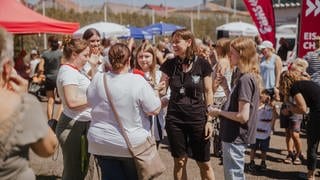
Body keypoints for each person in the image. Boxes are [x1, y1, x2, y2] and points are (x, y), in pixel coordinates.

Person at [87, 43, 162, 180]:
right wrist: (156, 91)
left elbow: (90, 101)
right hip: (130, 144)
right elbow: (154, 109)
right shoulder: (137, 81)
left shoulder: (98, 78)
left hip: (101, 142)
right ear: (129, 60)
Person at [0, 28, 58, 180]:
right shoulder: (24, 105)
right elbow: (49, 149)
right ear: (7, 67)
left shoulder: (45, 55)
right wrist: (25, 96)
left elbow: (41, 67)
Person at [159, 29, 215, 180]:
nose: (173, 45)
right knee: (180, 162)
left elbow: (209, 92)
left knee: (203, 163)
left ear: (189, 42)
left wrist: (209, 120)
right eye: (172, 42)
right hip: (175, 119)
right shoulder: (169, 64)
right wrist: (158, 88)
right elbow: (162, 89)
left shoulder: (203, 64)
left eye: (177, 42)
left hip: (198, 118)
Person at [208, 37, 261, 180]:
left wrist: (218, 112)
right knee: (233, 174)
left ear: (242, 54)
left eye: (232, 53)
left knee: (234, 176)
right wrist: (226, 87)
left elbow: (243, 116)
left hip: (235, 135)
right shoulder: (242, 75)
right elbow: (235, 102)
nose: (229, 56)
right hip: (233, 135)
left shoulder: (245, 79)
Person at [55, 39, 92, 180]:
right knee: (73, 173)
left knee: (79, 171)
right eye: (85, 55)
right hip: (73, 125)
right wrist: (95, 100)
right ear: (75, 54)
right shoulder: (69, 73)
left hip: (78, 124)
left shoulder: (74, 71)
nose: (87, 59)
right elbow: (72, 102)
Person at [279, 70, 320, 180]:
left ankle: (310, 176)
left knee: (312, 146)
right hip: (316, 111)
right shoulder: (305, 83)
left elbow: (302, 109)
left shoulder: (295, 87)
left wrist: (289, 108)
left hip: (317, 114)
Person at [135, 42, 169, 148]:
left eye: (147, 56)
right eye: (140, 56)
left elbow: (167, 96)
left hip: (155, 123)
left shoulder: (160, 74)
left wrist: (156, 94)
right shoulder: (131, 74)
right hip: (136, 122)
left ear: (153, 57)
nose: (143, 59)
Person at [280, 58, 309, 165]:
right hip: (286, 105)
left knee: (295, 134)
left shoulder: (304, 78)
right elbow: (283, 91)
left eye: (295, 67)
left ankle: (298, 154)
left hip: (296, 109)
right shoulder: (286, 75)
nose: (292, 68)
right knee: (288, 133)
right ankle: (290, 153)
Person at [247, 89, 276, 172]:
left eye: (269, 95)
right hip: (255, 133)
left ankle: (263, 162)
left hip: (266, 133)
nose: (267, 97)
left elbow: (275, 116)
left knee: (264, 150)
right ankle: (251, 162)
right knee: (253, 149)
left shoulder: (271, 108)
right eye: (265, 94)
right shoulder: (257, 106)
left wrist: (273, 108)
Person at [38, 36, 63, 120]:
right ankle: (58, 120)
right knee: (62, 101)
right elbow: (63, 64)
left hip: (49, 78)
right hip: (59, 78)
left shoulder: (45, 54)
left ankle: (50, 121)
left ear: (49, 43)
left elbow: (40, 68)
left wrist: (38, 75)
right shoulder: (60, 53)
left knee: (50, 100)